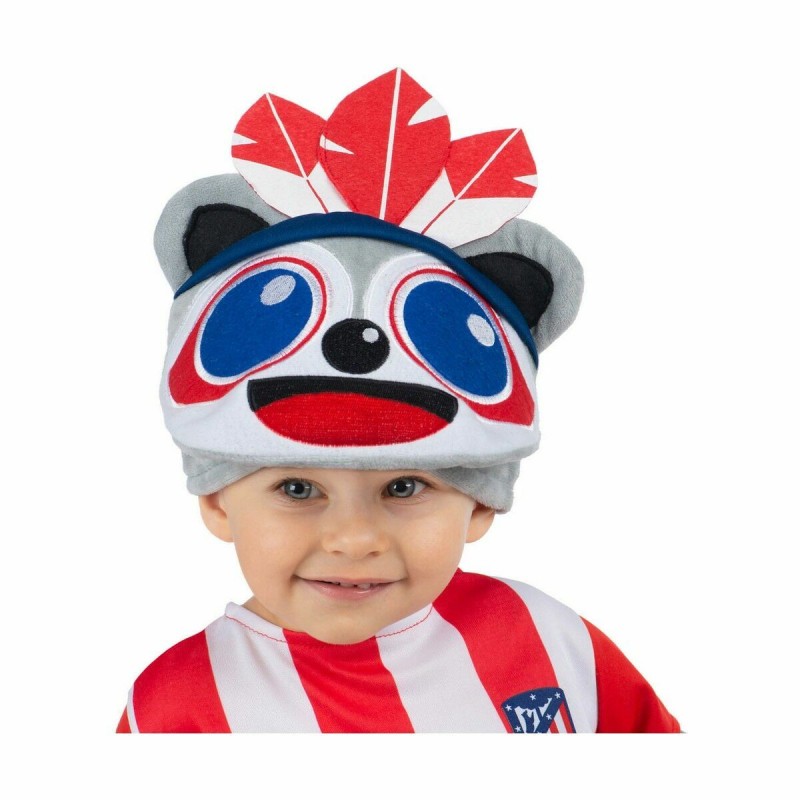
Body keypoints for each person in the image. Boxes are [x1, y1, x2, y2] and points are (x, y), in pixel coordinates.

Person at [117, 69, 679, 733]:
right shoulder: (175, 710)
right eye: (297, 488)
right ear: (216, 499)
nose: (355, 539)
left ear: (481, 501)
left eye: (405, 486)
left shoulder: (554, 642)